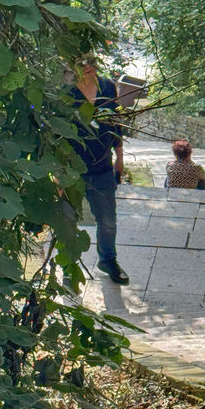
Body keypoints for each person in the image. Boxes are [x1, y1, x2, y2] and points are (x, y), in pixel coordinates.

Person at [67, 52, 129, 285]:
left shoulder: (107, 87)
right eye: (81, 63)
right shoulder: (67, 93)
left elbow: (115, 123)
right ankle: (68, 266)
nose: (88, 67)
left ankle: (108, 260)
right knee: (68, 219)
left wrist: (119, 157)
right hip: (73, 168)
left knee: (108, 220)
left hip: (102, 164)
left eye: (91, 61)